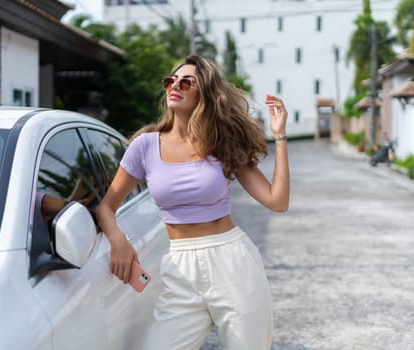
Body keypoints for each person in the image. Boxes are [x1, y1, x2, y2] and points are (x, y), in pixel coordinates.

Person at [95, 54, 289, 350]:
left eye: (187, 82)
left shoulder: (222, 142)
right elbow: (106, 206)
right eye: (171, 80)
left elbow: (277, 201)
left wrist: (280, 137)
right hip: (180, 266)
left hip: (232, 262)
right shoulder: (145, 146)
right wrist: (118, 239)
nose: (176, 86)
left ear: (205, 94)